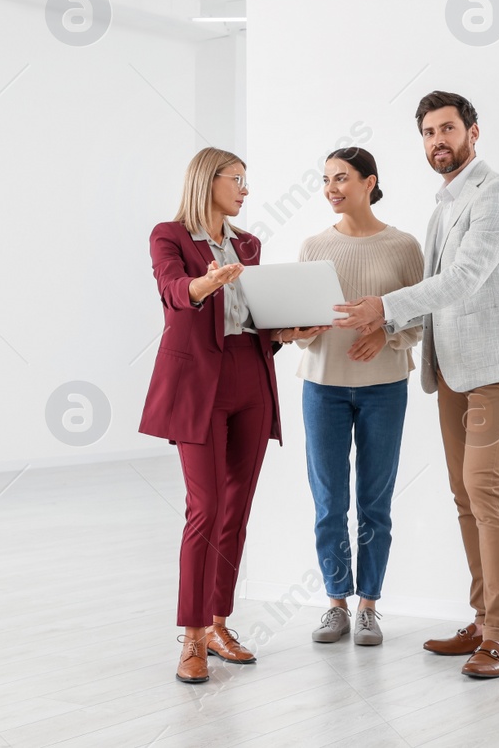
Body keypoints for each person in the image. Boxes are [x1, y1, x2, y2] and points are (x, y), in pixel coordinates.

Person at [334, 91, 499, 680]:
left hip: (497, 369)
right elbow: (436, 294)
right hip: (451, 370)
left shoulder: (495, 193)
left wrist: (383, 305)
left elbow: (466, 279)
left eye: (447, 129)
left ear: (474, 131)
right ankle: (482, 620)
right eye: (427, 133)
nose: (437, 141)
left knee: (486, 490)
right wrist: (391, 327)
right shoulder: (442, 206)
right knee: (465, 496)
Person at [140, 147, 327, 685]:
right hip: (199, 385)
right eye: (237, 180)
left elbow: (256, 320)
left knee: (236, 509)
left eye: (248, 181)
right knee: (205, 507)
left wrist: (290, 333)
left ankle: (221, 623)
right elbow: (173, 291)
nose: (245, 190)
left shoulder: (248, 243)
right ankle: (192, 638)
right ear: (208, 179)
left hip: (250, 378)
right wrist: (206, 284)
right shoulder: (169, 235)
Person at [292, 147, 424, 647]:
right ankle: (335, 604)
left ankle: (369, 605)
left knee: (374, 501)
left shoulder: (404, 245)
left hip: (384, 387)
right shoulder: (312, 246)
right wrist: (298, 329)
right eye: (325, 178)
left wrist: (386, 331)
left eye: (341, 178)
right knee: (329, 501)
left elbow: (421, 315)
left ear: (370, 182)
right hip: (322, 385)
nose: (331, 187)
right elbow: (303, 324)